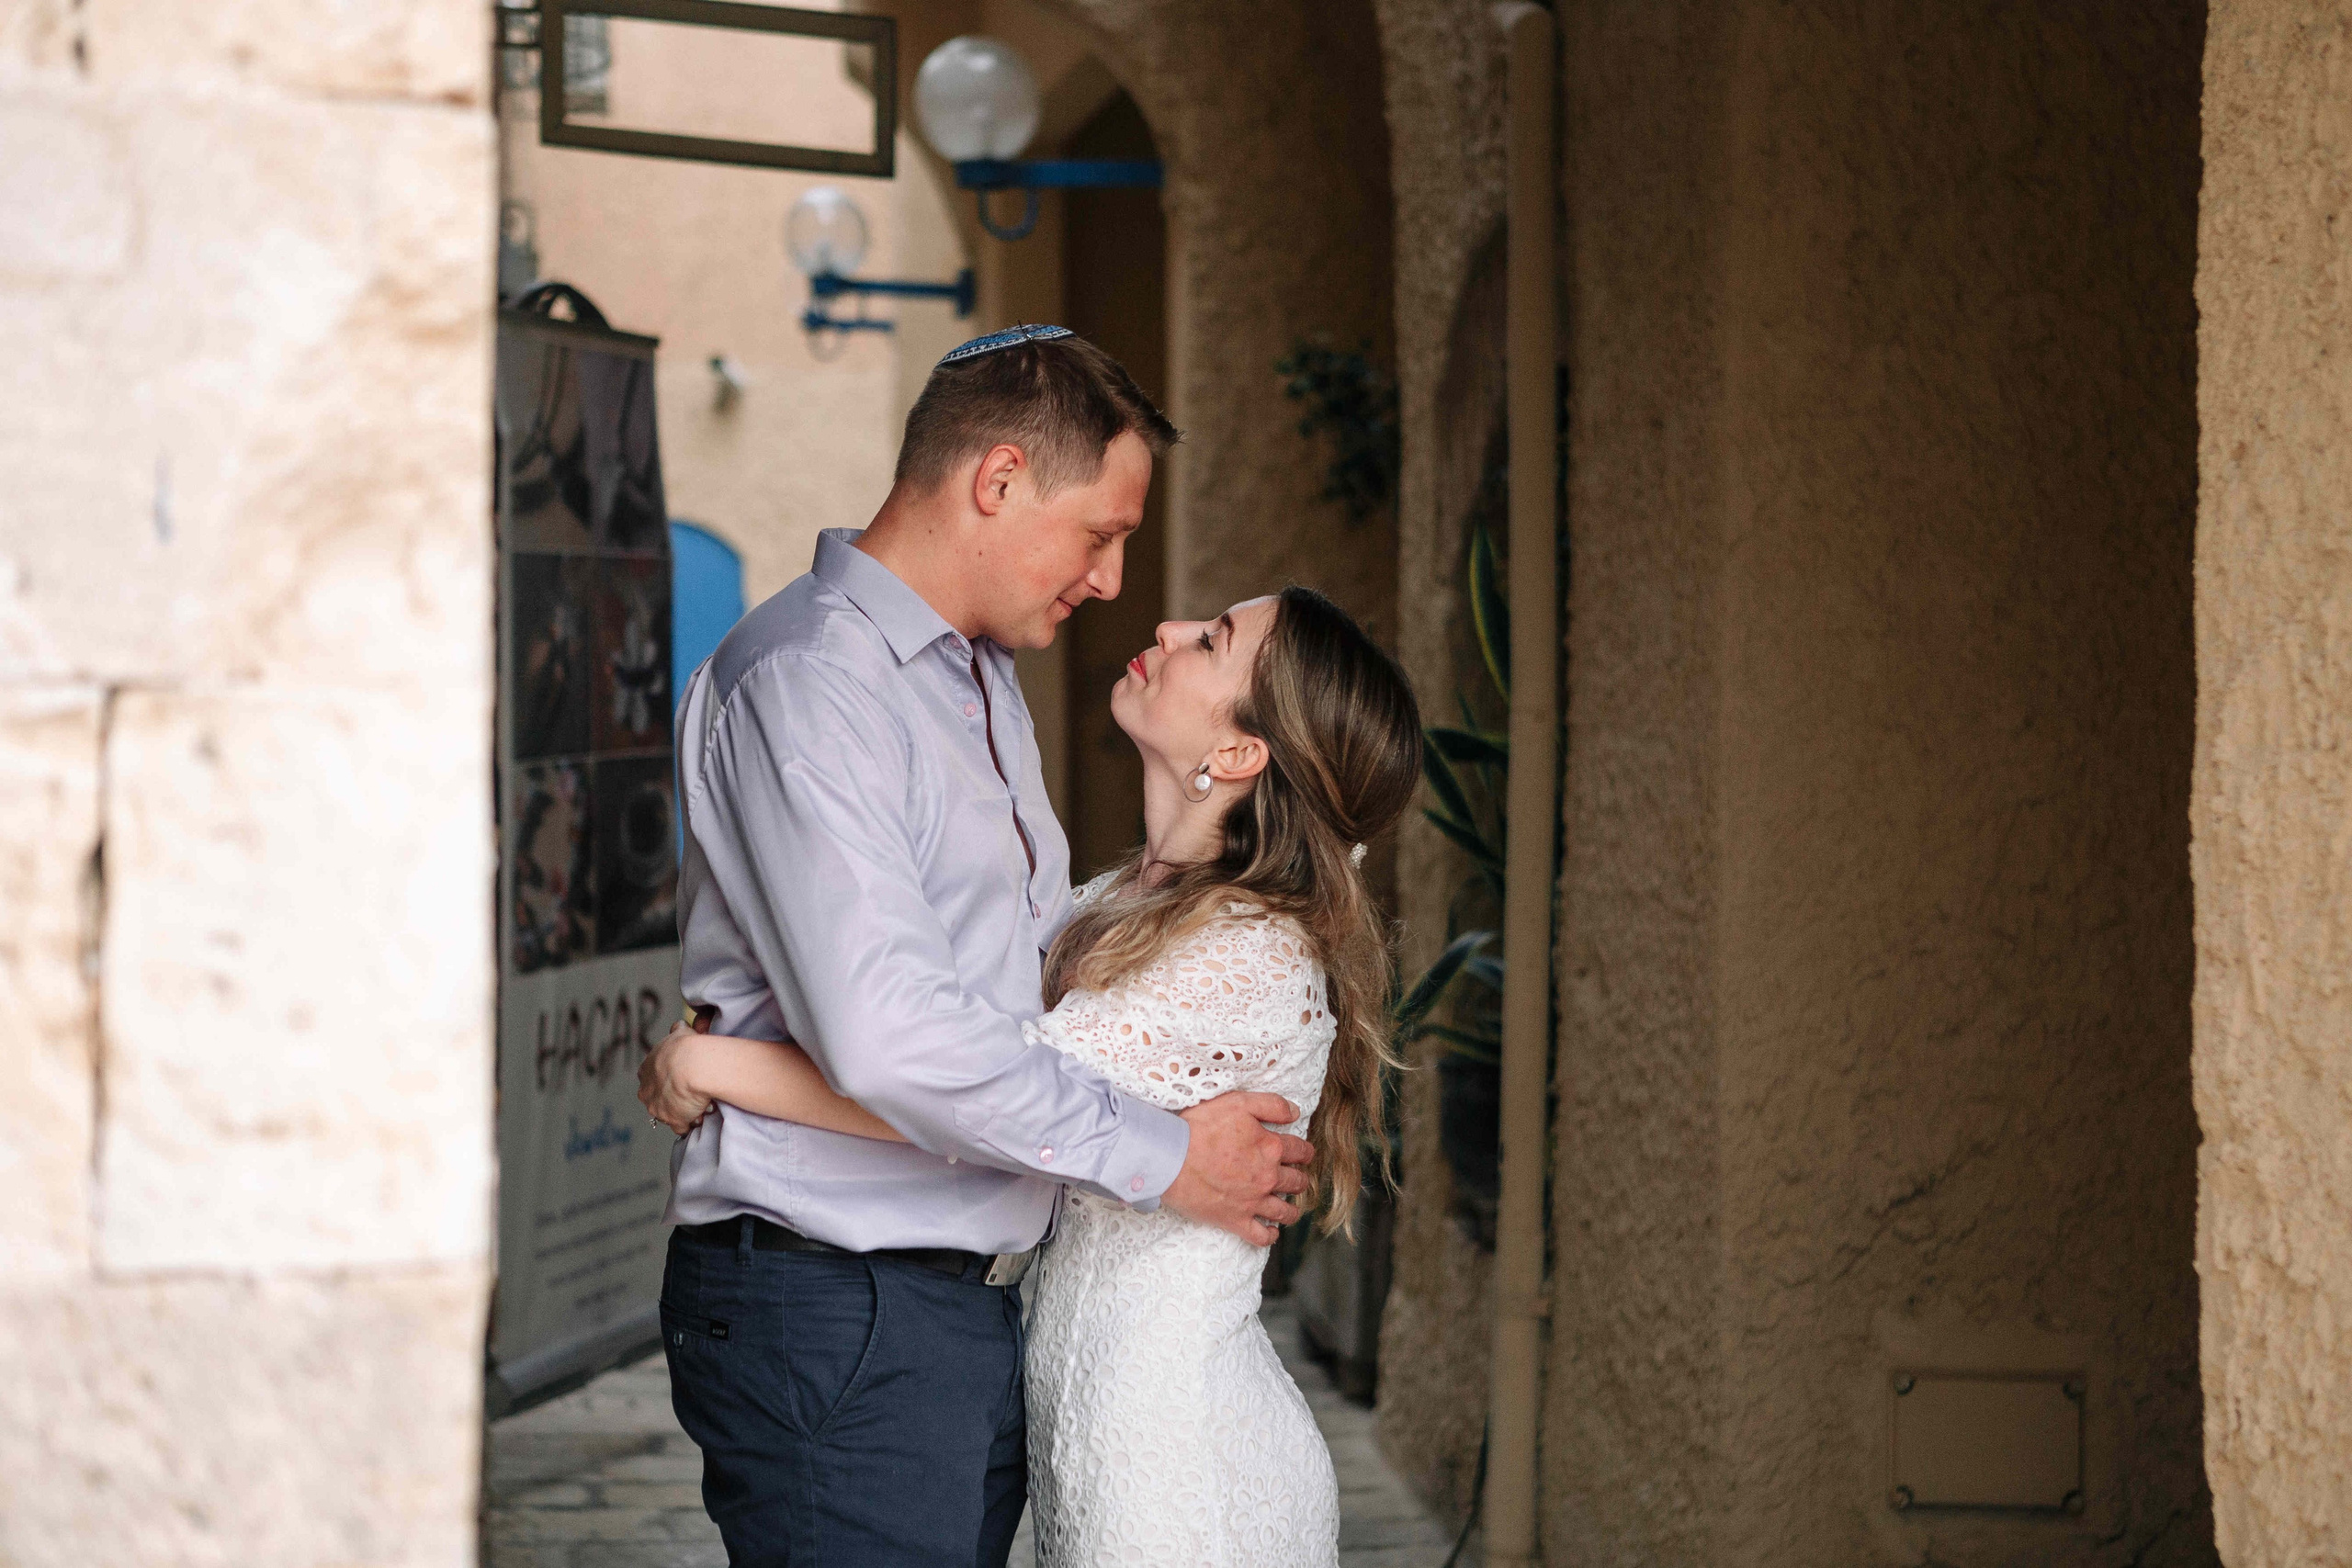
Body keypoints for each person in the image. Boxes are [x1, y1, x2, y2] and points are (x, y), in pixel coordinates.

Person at [650, 324, 1317, 1568]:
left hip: (949, 1309)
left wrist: (720, 1065)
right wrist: (1168, 1152)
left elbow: (1012, 999)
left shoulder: (975, 675)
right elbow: (897, 1033)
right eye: (1101, 533)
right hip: (841, 1299)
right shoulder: (813, 683)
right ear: (998, 479)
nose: (1114, 580)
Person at [647, 584, 1424, 1566]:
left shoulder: (1246, 953)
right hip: (1083, 1415)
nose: (1168, 627)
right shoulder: (1111, 904)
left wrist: (711, 1062)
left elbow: (968, 1095)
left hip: (1172, 1452)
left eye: (1213, 639)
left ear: (1236, 755)